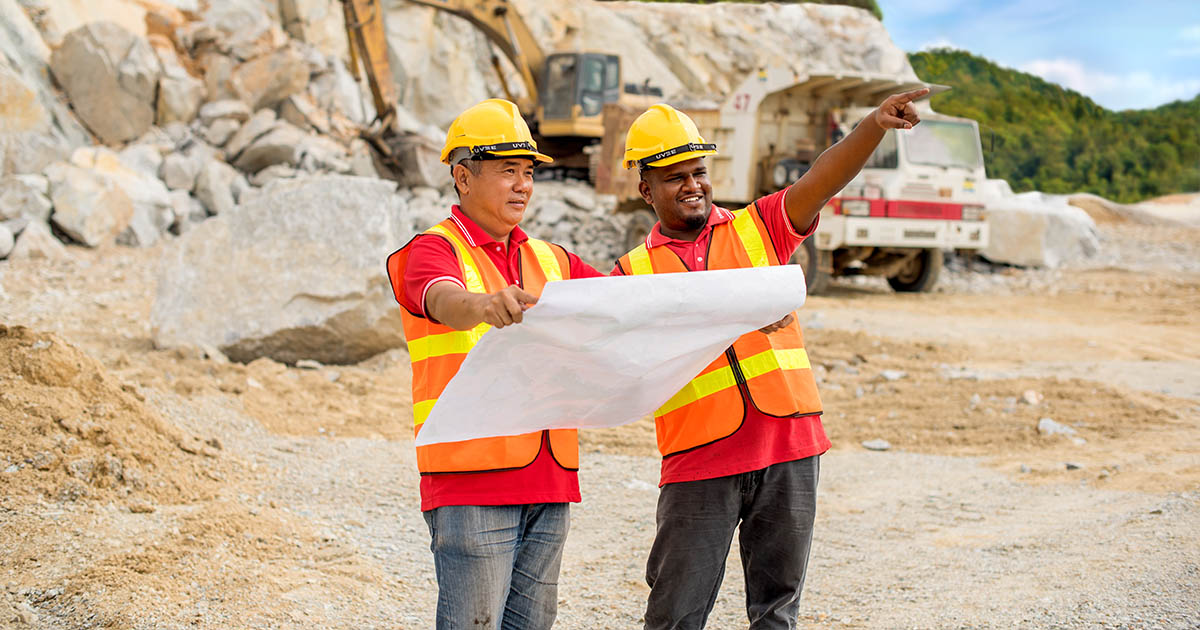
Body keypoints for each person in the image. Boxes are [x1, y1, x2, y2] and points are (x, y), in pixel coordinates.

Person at [612, 90, 928, 630]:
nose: (693, 185)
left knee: (777, 612)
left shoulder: (757, 228)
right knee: (674, 614)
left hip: (788, 445)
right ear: (645, 188)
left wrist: (872, 126)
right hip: (700, 456)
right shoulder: (630, 275)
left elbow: (821, 180)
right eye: (673, 176)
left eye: (698, 171)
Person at [385, 98, 604, 630]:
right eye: (508, 171)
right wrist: (483, 304)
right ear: (462, 176)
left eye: (527, 172)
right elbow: (442, 299)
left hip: (550, 482)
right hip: (472, 483)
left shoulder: (553, 260)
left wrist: (729, 310)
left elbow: (629, 306)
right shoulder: (432, 251)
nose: (523, 185)